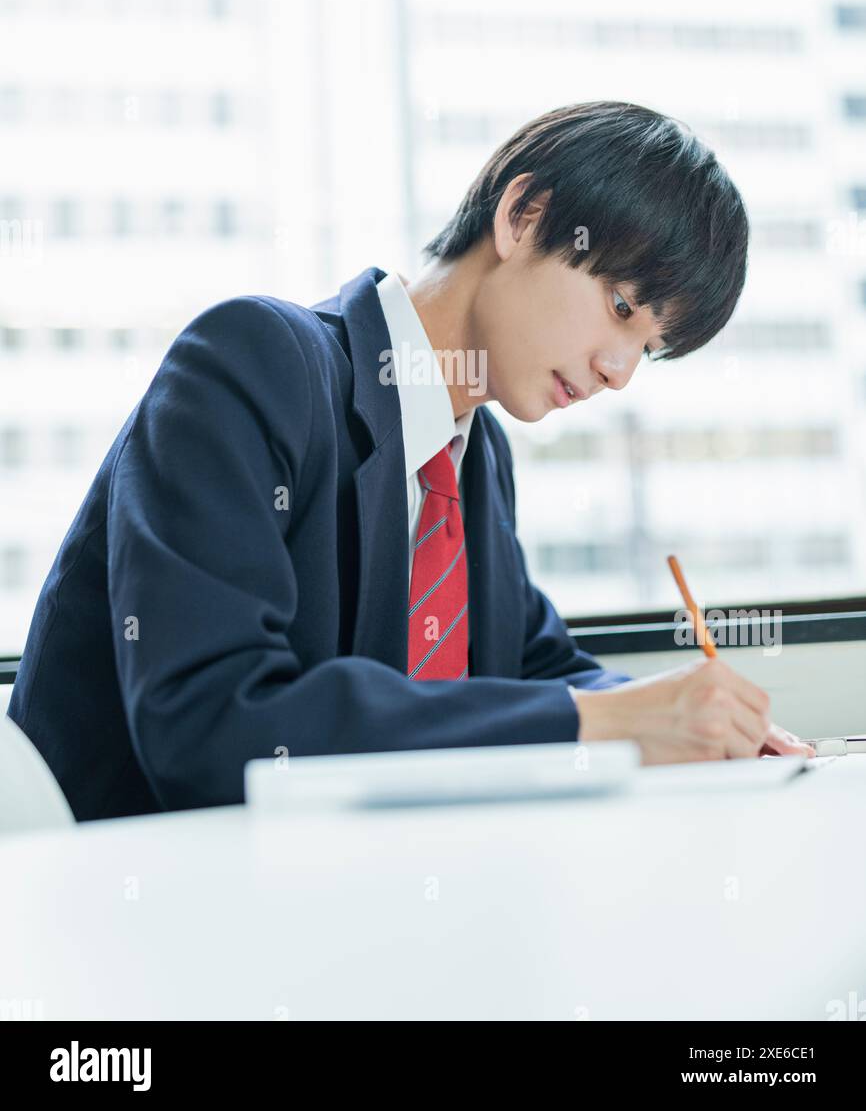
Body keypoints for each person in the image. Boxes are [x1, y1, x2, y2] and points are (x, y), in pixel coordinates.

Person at [9, 100, 812, 822]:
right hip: (135, 910)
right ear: (525, 216)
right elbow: (216, 726)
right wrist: (604, 726)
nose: (620, 371)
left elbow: (534, 667)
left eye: (650, 348)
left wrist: (692, 722)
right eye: (623, 308)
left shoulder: (475, 455)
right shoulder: (256, 363)